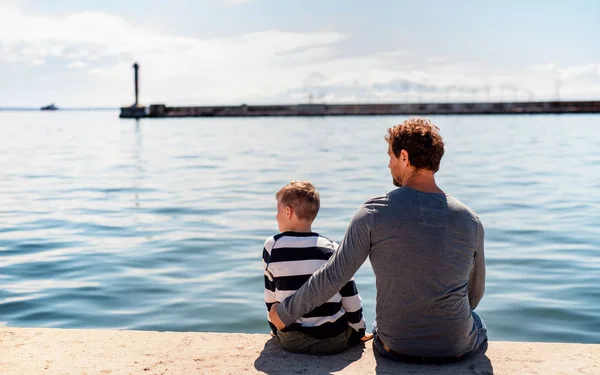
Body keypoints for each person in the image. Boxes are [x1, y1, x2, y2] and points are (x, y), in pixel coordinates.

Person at [269, 118, 487, 364]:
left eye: (391, 157)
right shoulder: (471, 220)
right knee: (476, 322)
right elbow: (474, 294)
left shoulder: (373, 213)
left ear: (404, 157)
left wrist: (284, 314)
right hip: (455, 347)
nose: (389, 164)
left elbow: (334, 276)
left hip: (395, 346)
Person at [263, 181, 373, 355]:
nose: (276, 216)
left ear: (288, 211)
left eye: (277, 210)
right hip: (332, 340)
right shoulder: (331, 248)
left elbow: (271, 297)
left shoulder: (272, 246)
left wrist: (276, 328)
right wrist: (358, 330)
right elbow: (350, 296)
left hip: (292, 341)